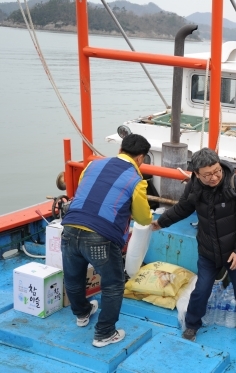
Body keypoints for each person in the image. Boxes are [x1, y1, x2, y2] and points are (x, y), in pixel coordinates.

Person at [151, 148, 236, 342]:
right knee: (201, 289)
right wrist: (161, 222)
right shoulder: (193, 186)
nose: (214, 177)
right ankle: (192, 324)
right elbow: (182, 208)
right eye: (207, 175)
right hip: (208, 250)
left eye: (216, 171)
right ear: (197, 174)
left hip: (235, 251)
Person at [61, 134, 152, 348]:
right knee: (113, 285)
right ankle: (104, 334)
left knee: (73, 277)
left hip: (70, 226)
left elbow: (85, 192)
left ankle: (82, 313)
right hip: (100, 236)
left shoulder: (92, 166)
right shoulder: (136, 180)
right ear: (141, 158)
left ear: (121, 148)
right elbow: (143, 218)